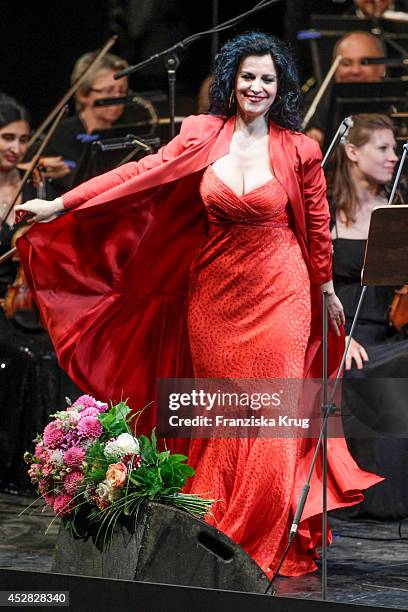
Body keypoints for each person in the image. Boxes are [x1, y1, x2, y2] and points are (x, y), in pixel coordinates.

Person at [15, 32, 382, 576]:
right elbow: (138, 173)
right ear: (232, 80)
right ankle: (211, 531)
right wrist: (61, 203)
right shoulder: (202, 132)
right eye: (248, 76)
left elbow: (318, 222)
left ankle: (256, 537)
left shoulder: (299, 147)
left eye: (267, 78)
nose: (256, 86)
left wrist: (325, 288)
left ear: (280, 87)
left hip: (280, 289)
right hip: (214, 291)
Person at [327, 113, 408, 519]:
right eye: (383, 148)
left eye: (395, 148)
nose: (393, 156)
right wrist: (341, 338)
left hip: (391, 333)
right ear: (352, 151)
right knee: (365, 370)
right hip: (346, 336)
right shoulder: (324, 214)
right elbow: (312, 289)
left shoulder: (397, 207)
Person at [0, 94, 79, 494]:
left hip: (25, 304)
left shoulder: (35, 185)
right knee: (27, 359)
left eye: (23, 139)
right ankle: (17, 467)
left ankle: (57, 469)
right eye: (7, 138)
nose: (17, 148)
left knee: (61, 352)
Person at [44, 51, 129, 190]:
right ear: (82, 94)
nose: (118, 98)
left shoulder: (127, 132)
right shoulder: (63, 134)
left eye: (122, 90)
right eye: (108, 91)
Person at [305, 31, 385, 146]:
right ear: (335, 67)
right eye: (346, 63)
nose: (355, 71)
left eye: (364, 62)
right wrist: (313, 134)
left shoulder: (399, 97)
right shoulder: (319, 98)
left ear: (382, 67)